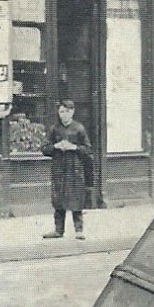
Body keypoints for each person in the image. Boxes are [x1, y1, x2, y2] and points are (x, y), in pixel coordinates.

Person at [41, 100, 93, 241]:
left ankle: (79, 230)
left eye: (66, 112)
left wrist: (74, 147)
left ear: (72, 112)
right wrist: (56, 146)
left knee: (76, 198)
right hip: (59, 168)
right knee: (59, 199)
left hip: (74, 168)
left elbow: (88, 149)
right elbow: (45, 149)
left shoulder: (79, 129)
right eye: (61, 112)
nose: (63, 115)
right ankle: (59, 230)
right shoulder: (54, 129)